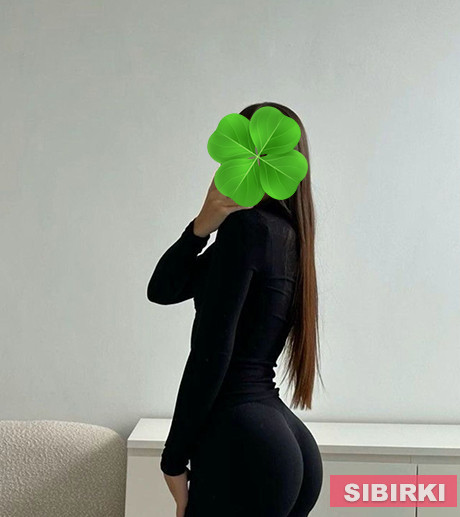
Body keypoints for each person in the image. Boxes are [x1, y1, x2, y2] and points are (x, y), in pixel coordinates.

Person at [147, 102, 324, 517]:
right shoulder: (286, 235)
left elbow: (212, 355)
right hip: (283, 439)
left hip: (243, 440)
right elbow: (163, 289)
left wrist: (173, 461)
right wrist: (200, 228)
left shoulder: (246, 231)